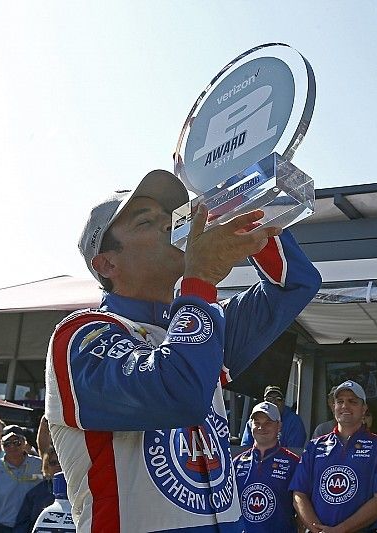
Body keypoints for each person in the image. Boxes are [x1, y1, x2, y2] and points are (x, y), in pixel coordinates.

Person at [44, 171, 320, 532]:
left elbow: (296, 284)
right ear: (107, 264)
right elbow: (178, 393)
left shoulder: (202, 318)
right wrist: (200, 278)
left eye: (169, 217)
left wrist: (245, 207)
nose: (169, 226)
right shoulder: (81, 335)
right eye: (146, 222)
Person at [291, 381, 377, 532]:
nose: (345, 406)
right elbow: (299, 494)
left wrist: (340, 530)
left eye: (352, 401)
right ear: (333, 407)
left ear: (364, 408)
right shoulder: (314, 446)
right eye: (340, 401)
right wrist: (318, 530)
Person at [233, 402, 300, 533]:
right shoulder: (237, 463)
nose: (261, 427)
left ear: (279, 426)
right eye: (257, 423)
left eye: (268, 423)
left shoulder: (294, 463)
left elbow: (304, 503)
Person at [0, 425, 43, 533]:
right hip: (3, 528)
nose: (12, 446)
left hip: (32, 527)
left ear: (24, 443)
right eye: (7, 443)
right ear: (2, 446)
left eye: (16, 442)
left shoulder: (40, 466)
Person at [12, 447, 62, 533]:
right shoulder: (35, 494)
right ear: (46, 467)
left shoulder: (78, 491)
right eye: (53, 463)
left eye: (61, 462)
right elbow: (22, 525)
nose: (58, 466)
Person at [241, 385, 307, 449]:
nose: (273, 402)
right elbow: (244, 448)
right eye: (269, 398)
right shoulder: (252, 420)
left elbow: (294, 451)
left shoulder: (294, 421)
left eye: (278, 399)